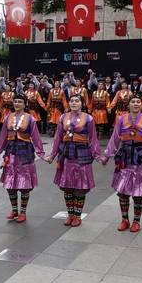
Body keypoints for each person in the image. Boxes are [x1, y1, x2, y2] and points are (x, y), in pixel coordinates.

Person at [100, 95, 142, 233]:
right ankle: (124, 219)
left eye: (138, 102)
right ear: (128, 105)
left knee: (139, 192)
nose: (135, 104)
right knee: (122, 191)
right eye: (133, 102)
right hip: (125, 156)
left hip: (141, 156)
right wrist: (107, 156)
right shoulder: (121, 119)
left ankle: (136, 221)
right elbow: (114, 139)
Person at [43, 94, 100, 227]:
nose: (74, 103)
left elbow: (93, 139)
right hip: (66, 154)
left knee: (80, 187)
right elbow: (58, 137)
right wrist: (52, 155)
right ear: (69, 103)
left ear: (82, 103)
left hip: (82, 153)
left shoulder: (89, 118)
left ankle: (78, 216)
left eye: (77, 101)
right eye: (72, 101)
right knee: (67, 186)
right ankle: (70, 214)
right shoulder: (63, 117)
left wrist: (98, 156)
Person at [0, 94, 45, 223]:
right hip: (10, 153)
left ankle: (23, 212)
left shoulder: (30, 118)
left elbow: (36, 138)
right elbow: (3, 136)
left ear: (25, 104)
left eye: (20, 101)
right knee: (10, 184)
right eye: (15, 101)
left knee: (25, 184)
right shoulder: (8, 117)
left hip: (25, 152)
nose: (17, 104)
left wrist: (41, 154)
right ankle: (14, 210)